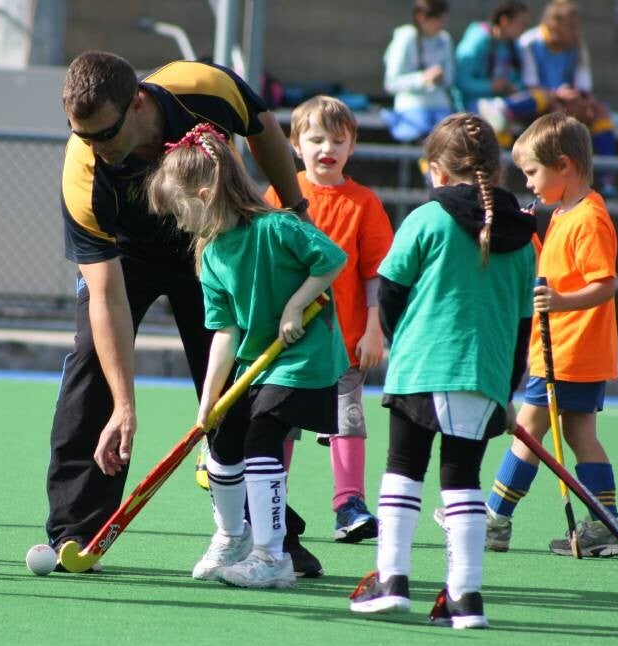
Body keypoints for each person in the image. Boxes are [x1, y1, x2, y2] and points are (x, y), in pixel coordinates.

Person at [49, 51, 326, 576]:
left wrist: (294, 209)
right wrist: (125, 407)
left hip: (213, 241)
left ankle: (266, 536)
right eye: (81, 134)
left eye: (104, 134)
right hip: (126, 258)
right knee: (92, 366)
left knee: (234, 379)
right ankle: (78, 529)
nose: (94, 147)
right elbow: (107, 297)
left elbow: (263, 128)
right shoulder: (83, 172)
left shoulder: (202, 86)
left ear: (136, 104)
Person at [348, 113, 536, 629]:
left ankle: (392, 580)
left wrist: (399, 338)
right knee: (463, 479)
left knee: (403, 468)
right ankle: (465, 597)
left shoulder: (426, 218)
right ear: (497, 170)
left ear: (437, 170)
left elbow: (390, 289)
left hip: (420, 368)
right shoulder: (524, 238)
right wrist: (506, 389)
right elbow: (522, 326)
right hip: (485, 375)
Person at [147, 124, 348, 588]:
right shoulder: (211, 256)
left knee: (262, 439)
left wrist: (296, 305)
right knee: (222, 442)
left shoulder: (277, 227)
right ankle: (232, 537)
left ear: (205, 195)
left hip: (302, 358)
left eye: (179, 211)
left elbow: (332, 259)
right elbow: (225, 333)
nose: (178, 224)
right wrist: (208, 402)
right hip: (255, 362)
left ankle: (272, 555)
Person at [483, 112, 618, 558]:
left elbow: (604, 284)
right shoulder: (565, 213)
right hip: (567, 349)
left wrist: (561, 302)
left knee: (527, 429)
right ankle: (606, 523)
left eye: (532, 172)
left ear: (564, 165)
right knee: (580, 433)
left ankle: (494, 520)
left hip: (568, 349)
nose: (528, 183)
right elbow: (557, 271)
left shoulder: (589, 218)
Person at [264, 95, 393, 544]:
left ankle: (349, 505)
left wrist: (374, 329)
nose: (327, 149)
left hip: (345, 342)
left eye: (338, 140)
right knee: (281, 420)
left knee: (348, 420)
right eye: (316, 139)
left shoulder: (364, 203)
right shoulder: (279, 195)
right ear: (295, 144)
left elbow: (376, 272)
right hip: (289, 341)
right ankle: (272, 500)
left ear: (352, 146)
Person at [517, 0, 617, 196]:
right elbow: (529, 82)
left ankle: (607, 180)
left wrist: (581, 100)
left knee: (600, 113)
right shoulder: (529, 42)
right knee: (555, 113)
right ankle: (554, 179)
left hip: (568, 101)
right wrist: (555, 94)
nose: (575, 31)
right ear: (553, 24)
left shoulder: (577, 45)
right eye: (570, 26)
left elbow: (584, 85)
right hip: (540, 101)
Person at [454, 2, 550, 143]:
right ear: (504, 21)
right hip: (473, 105)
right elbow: (460, 82)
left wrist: (513, 87)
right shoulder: (477, 41)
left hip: (502, 105)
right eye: (521, 24)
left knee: (541, 98)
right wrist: (490, 86)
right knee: (496, 130)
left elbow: (517, 79)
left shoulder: (513, 46)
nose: (524, 29)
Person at [381, 0, 455, 143]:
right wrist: (422, 78)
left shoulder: (444, 39)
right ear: (421, 17)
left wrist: (441, 77)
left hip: (440, 104)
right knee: (420, 132)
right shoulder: (405, 37)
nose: (441, 25)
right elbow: (391, 83)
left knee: (449, 136)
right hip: (411, 104)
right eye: (437, 20)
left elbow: (450, 78)